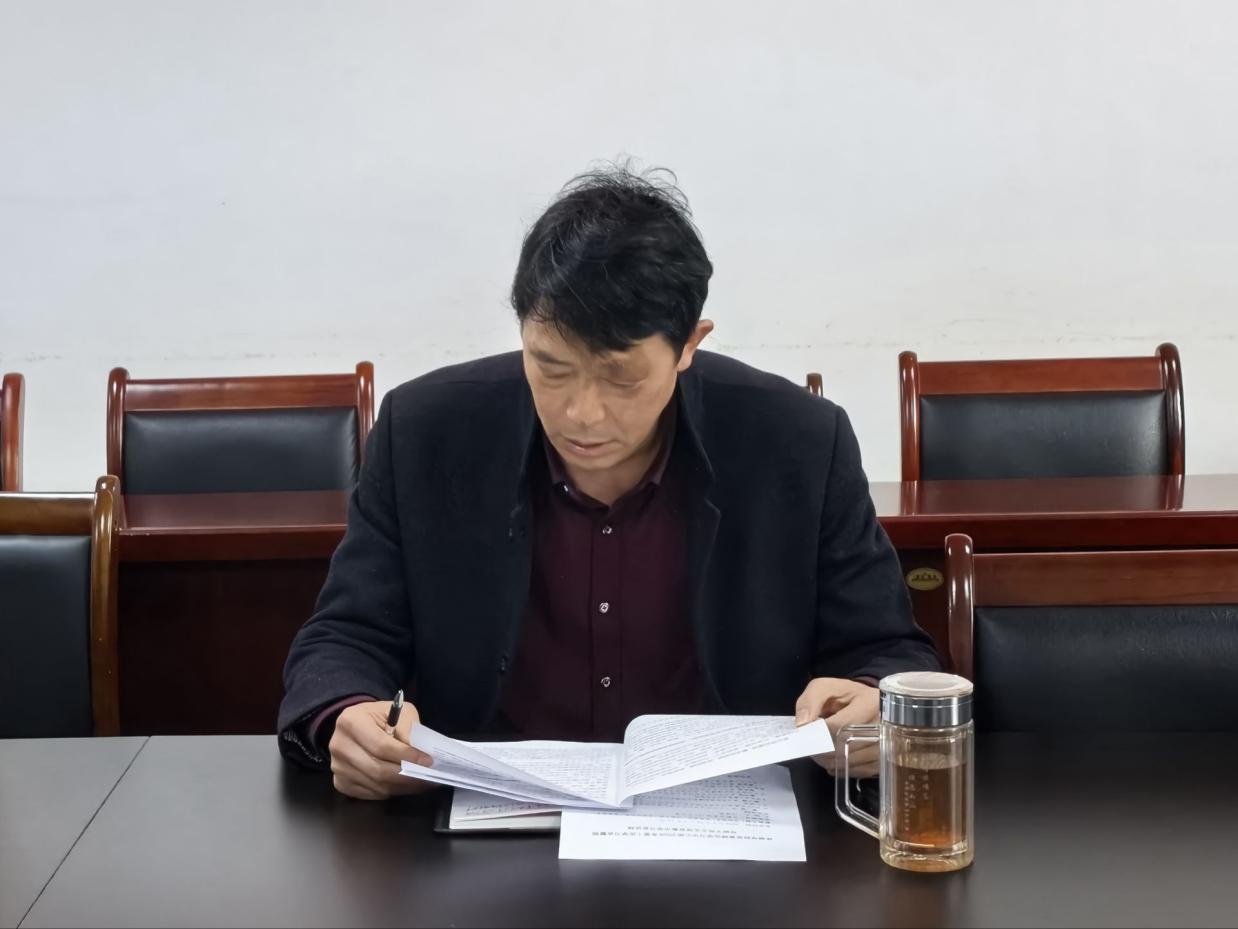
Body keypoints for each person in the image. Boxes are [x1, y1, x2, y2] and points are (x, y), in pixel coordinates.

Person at [278, 165, 939, 799]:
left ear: (689, 344)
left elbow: (887, 648)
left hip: (726, 816)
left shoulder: (796, 442)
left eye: (620, 376)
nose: (582, 414)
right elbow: (345, 636)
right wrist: (348, 714)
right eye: (551, 368)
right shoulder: (426, 433)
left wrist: (873, 699)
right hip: (486, 814)